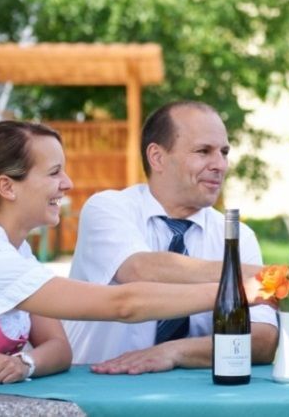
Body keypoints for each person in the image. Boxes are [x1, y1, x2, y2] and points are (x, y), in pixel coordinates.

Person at [0, 121, 268, 417]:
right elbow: (123, 304)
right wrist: (243, 289)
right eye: (55, 172)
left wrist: (26, 362)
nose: (68, 184)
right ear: (8, 186)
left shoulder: (16, 253)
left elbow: (60, 348)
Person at [65, 100, 278, 373]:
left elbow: (263, 341)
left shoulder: (239, 236)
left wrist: (173, 352)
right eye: (203, 151)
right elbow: (139, 269)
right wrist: (252, 276)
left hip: (196, 397)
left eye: (224, 152)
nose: (220, 165)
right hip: (98, 387)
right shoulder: (108, 207)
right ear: (157, 157)